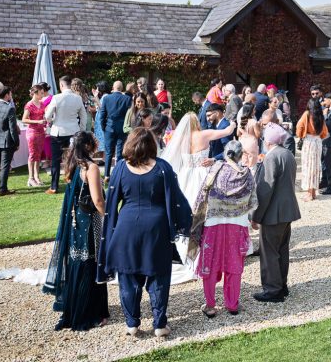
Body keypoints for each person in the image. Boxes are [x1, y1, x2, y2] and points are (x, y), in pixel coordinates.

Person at [97, 128, 192, 338]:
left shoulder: (120, 168)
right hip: (157, 229)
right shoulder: (163, 168)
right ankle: (159, 324)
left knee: (128, 276)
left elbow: (111, 203)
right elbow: (177, 200)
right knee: (159, 276)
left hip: (126, 228)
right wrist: (187, 222)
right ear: (151, 145)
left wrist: (111, 232)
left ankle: (132, 323)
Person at [42, 131, 108, 331]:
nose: (97, 144)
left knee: (77, 261)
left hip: (75, 219)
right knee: (91, 262)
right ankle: (90, 311)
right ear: (87, 145)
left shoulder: (72, 165)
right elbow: (97, 200)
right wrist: (110, 217)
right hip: (90, 221)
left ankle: (76, 304)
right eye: (94, 141)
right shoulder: (91, 167)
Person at [161, 112, 237, 283]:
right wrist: (233, 123)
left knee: (187, 212)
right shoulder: (203, 134)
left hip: (185, 176)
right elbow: (226, 132)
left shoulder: (179, 138)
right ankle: (206, 250)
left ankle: (184, 248)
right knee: (207, 213)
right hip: (202, 175)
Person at [191, 140, 257, 317]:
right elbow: (253, 201)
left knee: (210, 263)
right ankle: (232, 304)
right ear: (240, 155)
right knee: (234, 263)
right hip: (237, 224)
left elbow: (202, 195)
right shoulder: (246, 174)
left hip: (214, 224)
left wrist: (196, 218)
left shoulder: (215, 170)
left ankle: (210, 305)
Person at [252, 123, 301, 302]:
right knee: (282, 249)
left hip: (273, 212)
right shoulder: (288, 154)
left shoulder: (271, 157)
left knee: (269, 252)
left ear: (268, 141)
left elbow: (265, 190)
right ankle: (281, 285)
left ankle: (273, 290)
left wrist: (255, 216)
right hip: (287, 210)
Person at [45, 76, 87, 194]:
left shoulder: (56, 97)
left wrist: (52, 120)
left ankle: (54, 186)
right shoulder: (78, 98)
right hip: (74, 131)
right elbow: (83, 115)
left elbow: (47, 116)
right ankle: (74, 182)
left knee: (56, 160)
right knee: (74, 158)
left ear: (61, 85)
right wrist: (81, 129)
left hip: (58, 132)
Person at [295, 98, 329, 202]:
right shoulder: (321, 116)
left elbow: (299, 126)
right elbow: (325, 132)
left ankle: (309, 193)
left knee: (308, 166)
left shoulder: (307, 114)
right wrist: (319, 136)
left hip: (309, 141)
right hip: (318, 142)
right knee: (315, 167)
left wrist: (301, 135)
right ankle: (313, 192)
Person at [100, 81, 133, 182]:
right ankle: (118, 174)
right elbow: (130, 115)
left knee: (109, 152)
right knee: (119, 152)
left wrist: (104, 127)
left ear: (113, 88)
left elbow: (102, 115)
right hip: (122, 128)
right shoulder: (127, 99)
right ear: (122, 88)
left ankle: (106, 175)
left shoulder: (106, 98)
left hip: (109, 127)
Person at [23, 84, 47, 187]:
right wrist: (38, 121)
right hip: (32, 132)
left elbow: (44, 115)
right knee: (32, 155)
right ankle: (31, 178)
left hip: (41, 132)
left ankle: (37, 177)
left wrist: (45, 120)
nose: (43, 95)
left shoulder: (42, 104)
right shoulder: (29, 105)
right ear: (35, 93)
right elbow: (24, 119)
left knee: (38, 155)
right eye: (41, 93)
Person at [92, 81, 108, 155]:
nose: (97, 90)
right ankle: (103, 157)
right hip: (100, 120)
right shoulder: (104, 96)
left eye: (97, 88)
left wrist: (96, 97)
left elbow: (102, 108)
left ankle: (104, 158)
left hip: (102, 121)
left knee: (103, 140)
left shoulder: (105, 96)